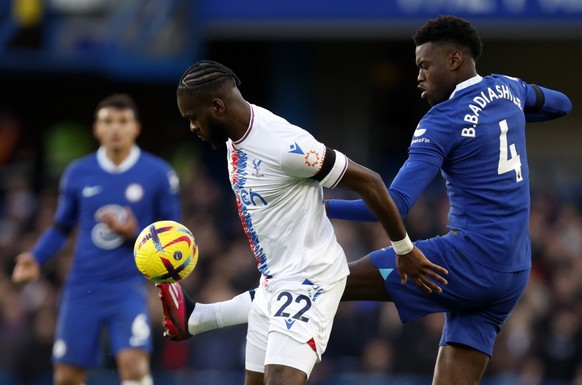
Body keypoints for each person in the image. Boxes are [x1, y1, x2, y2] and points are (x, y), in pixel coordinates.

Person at [157, 16, 573, 385]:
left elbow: (394, 202)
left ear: (454, 60)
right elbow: (562, 104)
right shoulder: (509, 90)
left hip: (468, 259)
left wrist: (318, 206)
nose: (418, 76)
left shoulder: (440, 123)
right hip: (513, 273)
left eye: (424, 66)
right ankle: (201, 317)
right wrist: (510, 111)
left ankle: (204, 317)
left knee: (325, 278)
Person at [158, 59, 447, 385]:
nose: (192, 127)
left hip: (310, 279)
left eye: (193, 118)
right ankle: (197, 318)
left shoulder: (285, 146)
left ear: (218, 106)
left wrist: (404, 248)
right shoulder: (234, 139)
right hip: (274, 281)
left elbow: (370, 182)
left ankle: (198, 318)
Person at [12, 94, 181, 385]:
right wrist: (35, 257)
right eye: (108, 121)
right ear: (96, 129)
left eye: (123, 121)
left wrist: (135, 233)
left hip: (127, 285)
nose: (116, 128)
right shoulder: (78, 172)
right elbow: (61, 227)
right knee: (66, 376)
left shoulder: (158, 174)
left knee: (135, 366)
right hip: (83, 285)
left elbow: (174, 235)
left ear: (136, 127)